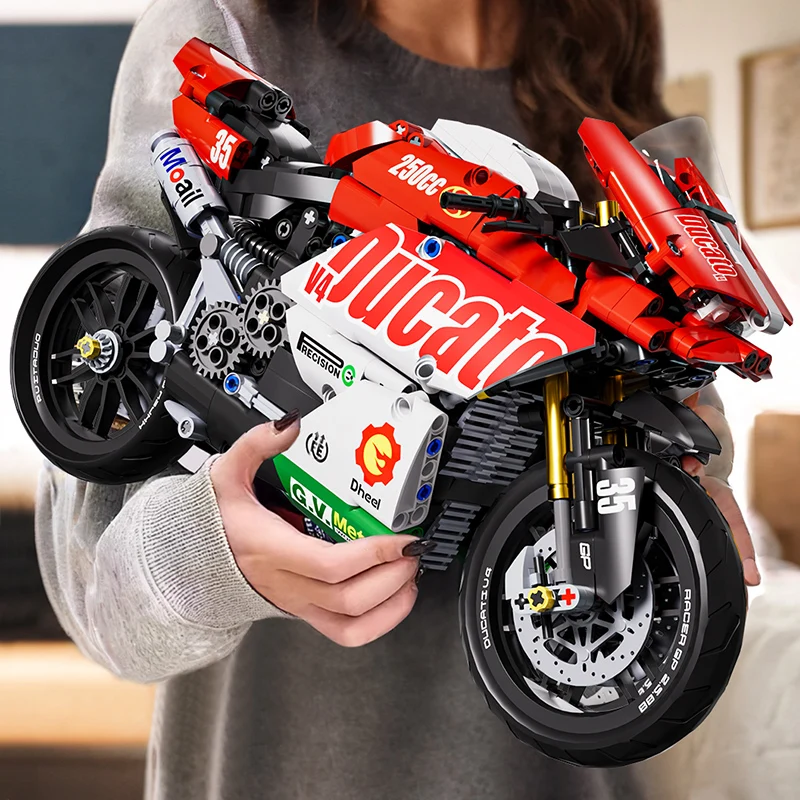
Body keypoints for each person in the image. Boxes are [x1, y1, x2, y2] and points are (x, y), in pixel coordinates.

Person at [36, 1, 758, 798]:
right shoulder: (232, 25)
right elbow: (92, 586)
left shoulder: (601, 67)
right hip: (277, 771)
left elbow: (690, 416)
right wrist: (212, 552)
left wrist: (692, 475)